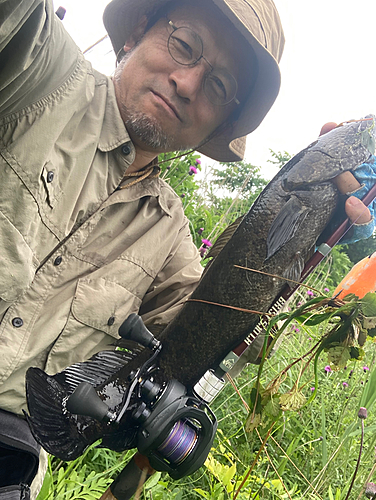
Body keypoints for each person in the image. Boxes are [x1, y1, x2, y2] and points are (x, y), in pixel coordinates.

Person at [0, 0, 374, 498]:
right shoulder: (39, 71)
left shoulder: (169, 235)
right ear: (138, 30)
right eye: (184, 45)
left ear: (219, 125)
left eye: (219, 87)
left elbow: (212, 333)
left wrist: (315, 234)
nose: (188, 82)